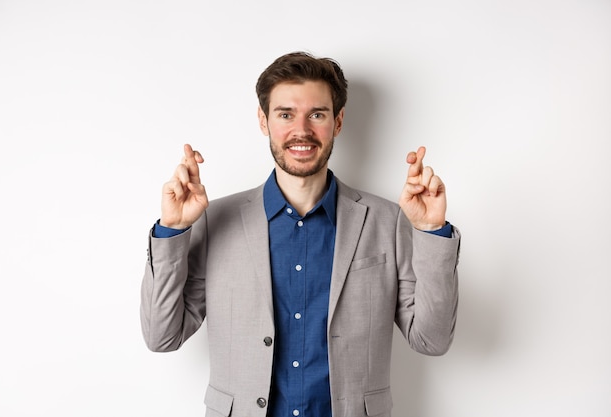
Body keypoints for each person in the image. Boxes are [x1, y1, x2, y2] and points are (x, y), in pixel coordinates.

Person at [140, 51, 460, 417]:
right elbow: (162, 337)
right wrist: (173, 229)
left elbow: (432, 341)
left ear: (338, 122)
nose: (301, 131)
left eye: (317, 115)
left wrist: (432, 230)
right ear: (264, 120)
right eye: (286, 114)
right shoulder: (216, 221)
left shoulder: (387, 220)